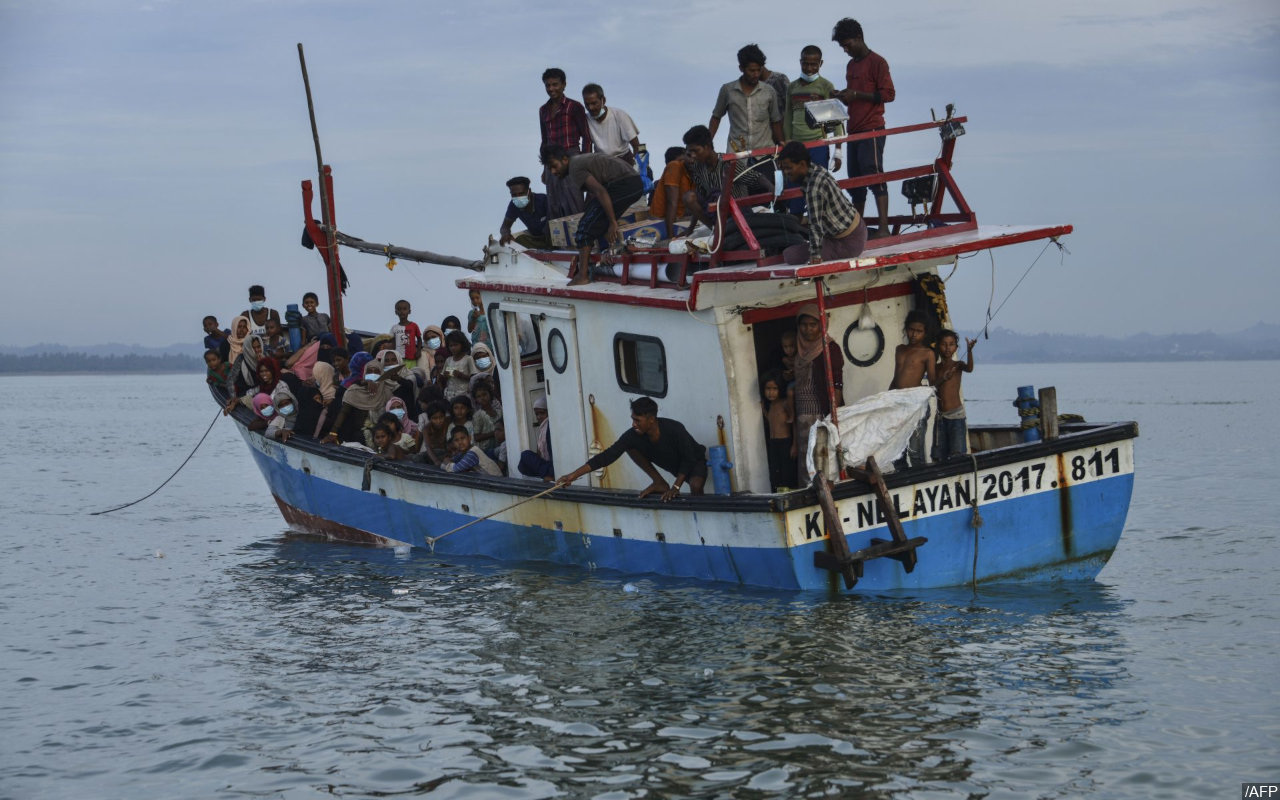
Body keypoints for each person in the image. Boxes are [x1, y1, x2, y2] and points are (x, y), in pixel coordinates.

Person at [558, 396, 707, 501]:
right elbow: (607, 456)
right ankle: (659, 482)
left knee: (695, 485)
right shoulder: (633, 435)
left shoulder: (675, 428)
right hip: (675, 467)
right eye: (632, 419)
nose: (633, 424)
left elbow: (689, 458)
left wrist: (676, 487)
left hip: (694, 462)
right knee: (629, 447)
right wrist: (573, 475)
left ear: (651, 419)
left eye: (637, 420)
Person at [540, 144, 646, 286]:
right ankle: (604, 256)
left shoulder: (575, 168)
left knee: (584, 229)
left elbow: (600, 192)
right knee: (593, 218)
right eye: (550, 169)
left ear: (565, 160)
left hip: (625, 185)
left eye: (554, 166)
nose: (553, 172)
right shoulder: (578, 162)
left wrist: (613, 222)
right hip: (630, 184)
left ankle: (582, 275)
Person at [831, 17, 895, 238]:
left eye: (847, 45)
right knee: (855, 179)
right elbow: (852, 98)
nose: (846, 50)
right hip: (854, 129)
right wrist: (840, 96)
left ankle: (884, 228)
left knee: (874, 173)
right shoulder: (851, 65)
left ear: (859, 38)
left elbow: (889, 94)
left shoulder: (878, 62)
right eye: (843, 47)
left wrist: (857, 95)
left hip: (872, 128)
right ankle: (858, 230)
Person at [777, 141, 867, 265]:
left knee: (789, 255)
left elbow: (815, 225)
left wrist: (815, 256)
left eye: (789, 168)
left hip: (847, 242)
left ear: (802, 164)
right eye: (784, 168)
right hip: (856, 230)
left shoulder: (814, 187)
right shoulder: (815, 170)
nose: (786, 173)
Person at [782, 45, 843, 215]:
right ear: (800, 62)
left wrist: (838, 151)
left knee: (818, 188)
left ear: (820, 64)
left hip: (818, 144)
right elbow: (788, 116)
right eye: (806, 64)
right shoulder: (792, 87)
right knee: (794, 191)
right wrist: (787, 141)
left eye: (813, 64)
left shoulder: (826, 86)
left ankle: (819, 228)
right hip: (796, 146)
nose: (809, 68)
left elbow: (836, 119)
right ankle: (797, 231)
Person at [681, 125, 773, 231]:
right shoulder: (698, 167)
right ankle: (715, 230)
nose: (693, 155)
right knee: (689, 197)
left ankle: (724, 230)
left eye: (696, 150)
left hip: (738, 213)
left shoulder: (728, 162)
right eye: (690, 152)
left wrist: (772, 188)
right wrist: (691, 228)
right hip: (717, 216)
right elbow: (700, 196)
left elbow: (756, 177)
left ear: (707, 147)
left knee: (718, 195)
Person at [792, 304, 845, 482]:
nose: (808, 330)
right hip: (802, 417)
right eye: (804, 325)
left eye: (813, 325)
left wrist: (832, 416)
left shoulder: (830, 349)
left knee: (822, 458)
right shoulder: (798, 351)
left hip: (821, 414)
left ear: (822, 325)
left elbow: (837, 385)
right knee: (805, 458)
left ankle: (827, 494)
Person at [709, 44, 784, 159]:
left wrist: (781, 143)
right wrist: (708, 143)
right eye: (752, 71)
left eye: (759, 70)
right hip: (737, 154)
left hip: (764, 154)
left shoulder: (769, 91)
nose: (756, 74)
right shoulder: (728, 90)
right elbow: (716, 117)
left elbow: (776, 121)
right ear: (741, 68)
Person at [538, 67, 592, 219]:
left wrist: (585, 162)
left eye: (555, 84)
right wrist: (544, 169)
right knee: (554, 203)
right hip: (551, 161)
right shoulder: (543, 110)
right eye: (548, 85)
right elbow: (544, 141)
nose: (551, 88)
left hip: (571, 156)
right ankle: (560, 241)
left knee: (574, 200)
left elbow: (586, 137)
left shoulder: (574, 107)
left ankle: (581, 238)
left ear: (564, 85)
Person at [890, 310, 938, 470]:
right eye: (911, 330)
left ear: (925, 333)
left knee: (916, 452)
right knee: (897, 453)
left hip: (916, 405)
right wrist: (887, 398)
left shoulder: (927, 353)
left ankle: (921, 482)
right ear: (906, 329)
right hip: (897, 404)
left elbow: (933, 382)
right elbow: (896, 377)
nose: (914, 334)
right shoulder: (900, 349)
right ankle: (903, 483)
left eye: (919, 331)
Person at [934, 330, 976, 462]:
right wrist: (943, 378)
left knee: (957, 454)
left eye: (951, 344)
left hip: (956, 416)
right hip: (940, 417)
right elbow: (933, 385)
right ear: (938, 346)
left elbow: (969, 368)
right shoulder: (936, 368)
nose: (947, 348)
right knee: (940, 455)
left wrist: (969, 351)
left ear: (956, 348)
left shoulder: (958, 365)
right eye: (944, 344)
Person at [582, 83, 641, 166]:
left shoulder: (619, 115)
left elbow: (637, 145)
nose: (590, 108)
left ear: (603, 100)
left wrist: (639, 166)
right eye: (587, 104)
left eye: (594, 103)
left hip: (624, 160)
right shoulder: (585, 120)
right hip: (602, 163)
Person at [648, 147, 694, 241]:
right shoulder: (674, 166)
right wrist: (671, 237)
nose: (691, 159)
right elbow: (672, 202)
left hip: (680, 216)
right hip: (662, 220)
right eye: (687, 156)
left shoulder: (691, 171)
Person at [761, 372, 795, 491]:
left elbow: (793, 422)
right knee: (775, 472)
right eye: (768, 389)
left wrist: (794, 445)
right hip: (773, 442)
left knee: (787, 472)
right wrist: (764, 411)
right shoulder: (769, 406)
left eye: (774, 389)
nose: (771, 392)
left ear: (780, 388)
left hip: (785, 442)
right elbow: (771, 420)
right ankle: (778, 493)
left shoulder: (785, 403)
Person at [498, 177, 552, 249]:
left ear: (529, 191)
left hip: (553, 238)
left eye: (521, 193)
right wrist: (505, 234)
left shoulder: (543, 200)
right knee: (520, 240)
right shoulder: (514, 205)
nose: (518, 197)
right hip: (536, 239)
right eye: (514, 195)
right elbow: (505, 226)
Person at [517, 396, 554, 480]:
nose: (539, 417)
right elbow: (539, 454)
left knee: (525, 454)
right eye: (537, 414)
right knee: (523, 464)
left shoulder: (549, 427)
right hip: (546, 465)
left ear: (548, 412)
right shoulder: (542, 429)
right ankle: (544, 473)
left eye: (542, 413)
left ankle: (548, 475)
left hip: (551, 466)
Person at [441, 330, 476, 400]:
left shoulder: (468, 359)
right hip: (449, 395)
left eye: (455, 345)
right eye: (451, 345)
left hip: (464, 395)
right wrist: (445, 375)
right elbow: (443, 376)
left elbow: (474, 378)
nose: (453, 348)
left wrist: (461, 375)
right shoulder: (448, 360)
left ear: (462, 344)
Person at [390, 299, 422, 369]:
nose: (402, 311)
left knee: (411, 376)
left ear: (409, 311)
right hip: (398, 359)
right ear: (396, 312)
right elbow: (392, 343)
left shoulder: (414, 325)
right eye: (399, 309)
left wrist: (419, 351)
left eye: (404, 309)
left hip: (412, 358)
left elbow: (419, 339)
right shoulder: (394, 328)